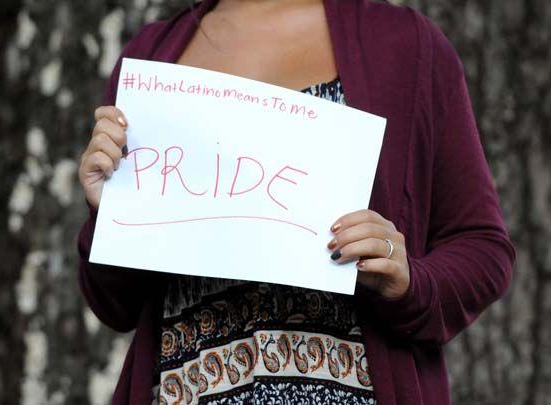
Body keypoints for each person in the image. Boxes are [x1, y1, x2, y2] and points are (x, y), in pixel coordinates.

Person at [76, 0, 517, 404]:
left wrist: (408, 282)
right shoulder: (152, 58)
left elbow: (482, 246)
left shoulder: (405, 45)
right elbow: (116, 305)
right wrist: (107, 212)